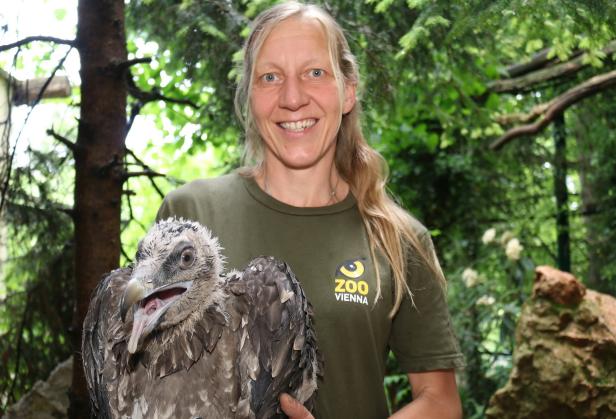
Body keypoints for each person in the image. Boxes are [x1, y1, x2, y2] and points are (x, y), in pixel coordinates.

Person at [156, 2, 464, 418]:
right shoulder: (190, 218)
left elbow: (441, 402)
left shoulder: (398, 239)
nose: (293, 98)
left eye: (315, 73)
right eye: (270, 77)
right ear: (251, 95)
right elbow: (150, 384)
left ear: (348, 90)